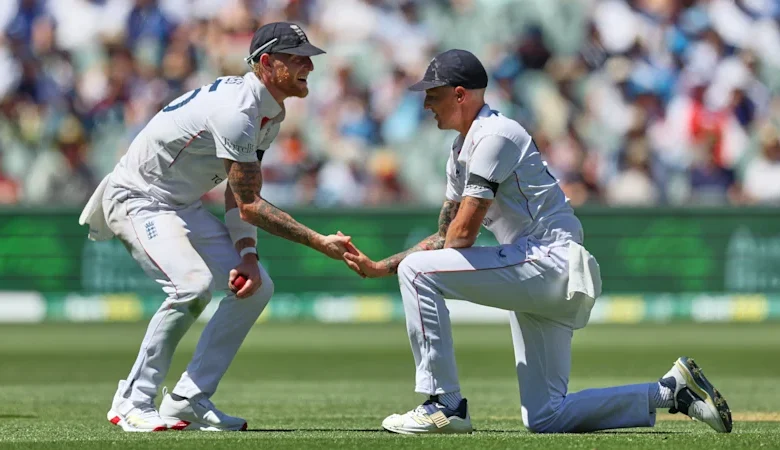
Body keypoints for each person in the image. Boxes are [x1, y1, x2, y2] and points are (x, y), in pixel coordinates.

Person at [342, 49, 732, 435]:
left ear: (460, 95)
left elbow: (461, 236)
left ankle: (444, 404)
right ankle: (669, 392)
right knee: (546, 416)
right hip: (541, 268)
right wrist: (381, 267)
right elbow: (447, 234)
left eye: (433, 94)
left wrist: (408, 267)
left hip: (548, 260)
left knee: (417, 272)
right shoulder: (461, 148)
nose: (427, 104)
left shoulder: (495, 134)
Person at [79, 22, 354, 432]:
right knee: (191, 286)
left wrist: (247, 256)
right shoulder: (237, 112)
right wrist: (319, 242)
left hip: (179, 204)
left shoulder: (269, 112)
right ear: (266, 62)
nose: (308, 67)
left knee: (258, 285)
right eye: (297, 58)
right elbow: (250, 203)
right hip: (138, 197)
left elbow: (238, 192)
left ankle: (187, 398)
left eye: (309, 58)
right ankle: (132, 400)